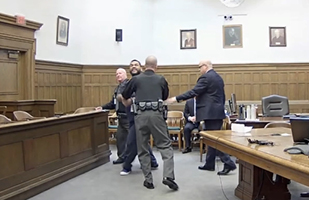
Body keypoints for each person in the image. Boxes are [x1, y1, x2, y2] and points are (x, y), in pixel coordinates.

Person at [165, 60, 237, 175]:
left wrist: (176, 99)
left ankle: (228, 162)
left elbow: (194, 92)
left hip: (211, 113)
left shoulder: (206, 78)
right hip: (216, 113)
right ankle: (209, 163)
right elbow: (222, 96)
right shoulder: (218, 77)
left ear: (205, 66)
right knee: (212, 139)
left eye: (199, 67)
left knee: (213, 140)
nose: (199, 70)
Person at [120, 55, 178, 190]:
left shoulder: (136, 79)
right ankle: (168, 176)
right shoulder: (161, 79)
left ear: (144, 66)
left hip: (140, 116)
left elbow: (125, 95)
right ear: (156, 67)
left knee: (143, 147)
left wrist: (126, 101)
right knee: (165, 146)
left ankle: (148, 180)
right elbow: (164, 97)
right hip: (157, 115)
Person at [117, 59, 159, 176]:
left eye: (136, 65)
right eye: (131, 65)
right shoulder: (127, 82)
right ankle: (152, 162)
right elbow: (120, 96)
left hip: (143, 114)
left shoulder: (145, 80)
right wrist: (128, 99)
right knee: (141, 140)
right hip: (131, 115)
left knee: (133, 140)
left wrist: (132, 99)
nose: (133, 67)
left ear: (142, 67)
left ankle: (127, 165)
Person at [96, 68, 129, 165]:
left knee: (135, 140)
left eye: (120, 73)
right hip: (121, 118)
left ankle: (150, 160)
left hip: (128, 117)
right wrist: (102, 107)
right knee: (120, 138)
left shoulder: (128, 86)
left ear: (125, 74)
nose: (118, 75)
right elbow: (113, 103)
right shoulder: (117, 88)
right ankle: (122, 157)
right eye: (116, 74)